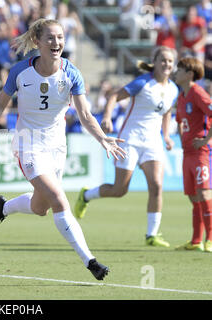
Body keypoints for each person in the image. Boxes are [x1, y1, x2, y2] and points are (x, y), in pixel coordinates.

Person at [0, 18, 126, 281]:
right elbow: (0, 103)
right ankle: (90, 261)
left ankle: (3, 208)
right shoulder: (20, 71)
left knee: (40, 207)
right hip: (27, 145)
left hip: (57, 147)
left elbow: (86, 115)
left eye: (60, 37)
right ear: (37, 42)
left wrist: (103, 138)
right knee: (58, 198)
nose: (56, 43)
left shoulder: (72, 73)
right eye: (50, 38)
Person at [74, 46, 179, 248]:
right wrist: (106, 117)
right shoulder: (143, 82)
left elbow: (166, 112)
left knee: (157, 186)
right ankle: (86, 195)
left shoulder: (173, 89)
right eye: (163, 60)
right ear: (154, 62)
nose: (166, 64)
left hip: (152, 142)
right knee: (120, 189)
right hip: (130, 139)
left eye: (170, 61)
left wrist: (166, 136)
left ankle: (151, 235)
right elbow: (114, 96)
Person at [174, 57, 212, 252]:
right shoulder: (181, 96)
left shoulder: (197, 92)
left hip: (200, 152)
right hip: (187, 153)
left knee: (204, 193)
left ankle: (210, 239)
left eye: (179, 69)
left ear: (189, 74)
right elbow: (180, 120)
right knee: (193, 197)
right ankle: (196, 240)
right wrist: (181, 138)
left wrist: (206, 140)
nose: (175, 72)